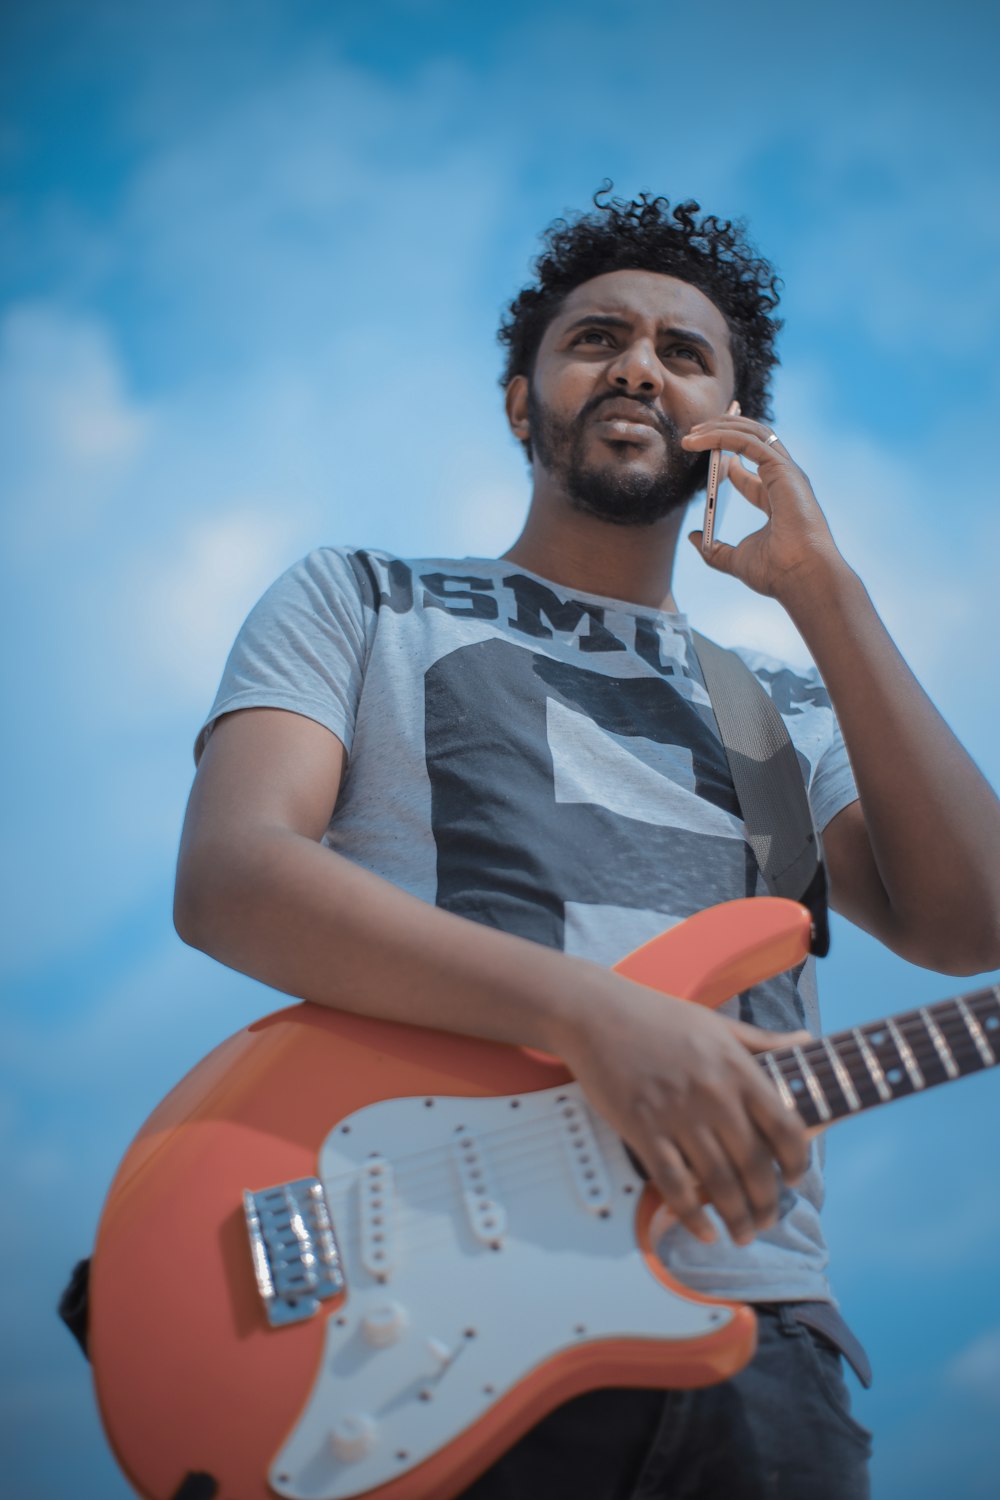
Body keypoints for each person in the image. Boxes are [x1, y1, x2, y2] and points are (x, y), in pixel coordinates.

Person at [174, 190, 1000, 1499]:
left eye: (685, 354)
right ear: (523, 402)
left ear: (734, 432)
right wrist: (598, 1020)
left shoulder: (782, 704)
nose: (638, 365)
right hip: (419, 1316)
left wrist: (825, 591)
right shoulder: (361, 596)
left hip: (760, 1348)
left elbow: (975, 926)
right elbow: (231, 878)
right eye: (596, 337)